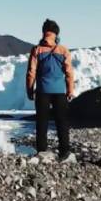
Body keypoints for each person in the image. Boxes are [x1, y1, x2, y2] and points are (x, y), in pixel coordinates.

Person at [26, 19, 74, 159]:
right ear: (56, 34)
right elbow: (69, 73)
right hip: (59, 92)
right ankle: (64, 152)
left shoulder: (37, 50)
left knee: (42, 122)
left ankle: (42, 151)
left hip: (42, 92)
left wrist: (30, 90)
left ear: (43, 32)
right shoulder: (63, 50)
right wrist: (70, 90)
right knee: (62, 122)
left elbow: (31, 73)